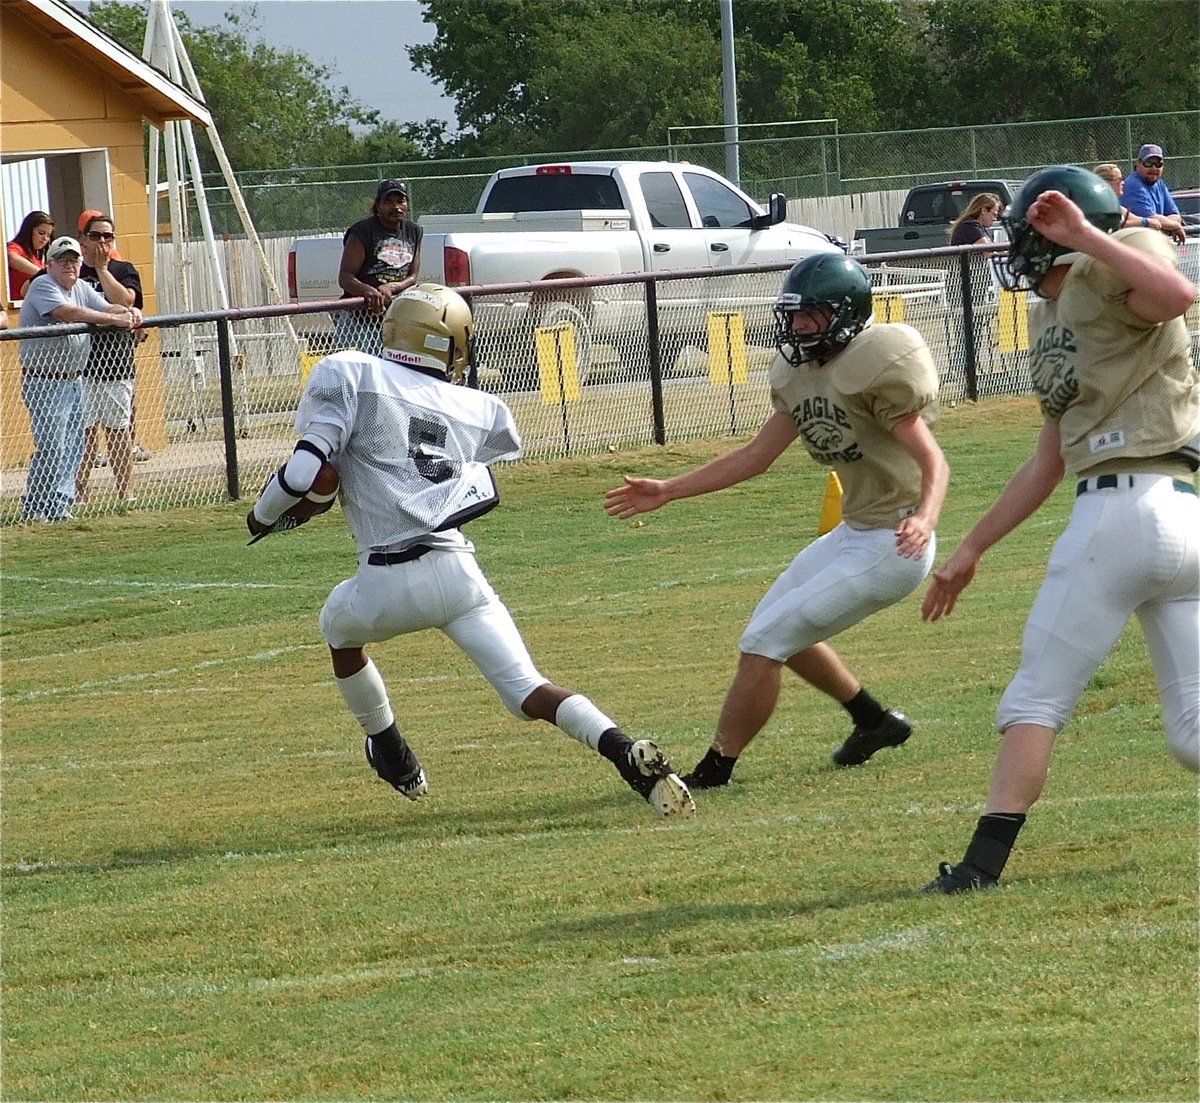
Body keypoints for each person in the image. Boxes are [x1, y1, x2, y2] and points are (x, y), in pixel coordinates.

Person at [247, 283, 694, 818]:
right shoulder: (479, 407)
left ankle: (389, 748)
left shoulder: (352, 373)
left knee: (338, 631)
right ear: (449, 343)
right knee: (528, 690)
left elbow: (305, 475)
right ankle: (621, 748)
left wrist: (261, 517)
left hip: (385, 575)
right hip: (458, 571)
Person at [921, 165, 1199, 895]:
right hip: (1176, 515)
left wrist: (1082, 237)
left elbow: (1177, 294)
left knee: (1036, 698)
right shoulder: (1057, 315)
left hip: (1124, 509)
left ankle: (981, 868)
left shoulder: (1116, 260)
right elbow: (1046, 461)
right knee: (1193, 733)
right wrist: (972, 547)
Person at [605, 254, 950, 788]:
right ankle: (873, 720)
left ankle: (716, 767)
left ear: (846, 314)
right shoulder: (802, 374)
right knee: (772, 632)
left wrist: (926, 519)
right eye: (794, 314)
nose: (798, 327)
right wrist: (668, 490)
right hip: (856, 531)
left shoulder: (875, 364)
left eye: (811, 314)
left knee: (766, 641)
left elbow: (933, 461)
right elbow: (755, 457)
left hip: (894, 541)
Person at [17, 236, 142, 522]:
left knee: (74, 447)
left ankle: (59, 506)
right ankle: (35, 507)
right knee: (52, 445)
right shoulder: (43, 285)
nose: (69, 266)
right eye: (62, 261)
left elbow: (107, 306)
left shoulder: (81, 287)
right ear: (49, 265)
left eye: (73, 260)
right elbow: (67, 313)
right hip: (45, 380)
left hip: (75, 379)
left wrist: (129, 311)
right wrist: (113, 319)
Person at [74, 214, 144, 505]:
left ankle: (125, 495)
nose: (102, 242)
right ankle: (78, 494)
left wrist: (103, 269)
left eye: (108, 236)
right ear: (84, 240)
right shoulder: (71, 270)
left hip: (115, 365)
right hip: (79, 367)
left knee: (118, 433)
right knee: (84, 435)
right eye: (95, 236)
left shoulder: (123, 269)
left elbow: (126, 301)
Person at [333, 179, 422, 356]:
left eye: (400, 201)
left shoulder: (414, 231)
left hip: (397, 319)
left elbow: (413, 276)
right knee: (366, 374)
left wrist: (392, 287)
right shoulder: (362, 232)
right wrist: (368, 291)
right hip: (361, 320)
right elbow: (345, 277)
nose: (395, 207)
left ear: (407, 206)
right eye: (388, 202)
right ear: (378, 206)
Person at [1120, 144, 1186, 244]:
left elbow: (1175, 215)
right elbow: (1152, 220)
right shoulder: (1133, 185)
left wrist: (1168, 225)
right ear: (1138, 164)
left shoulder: (1159, 184)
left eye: (1158, 164)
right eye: (1148, 163)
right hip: (1136, 246)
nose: (1154, 168)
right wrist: (1175, 226)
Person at [1095, 162, 1174, 233]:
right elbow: (1112, 225)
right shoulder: (1098, 206)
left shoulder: (1116, 207)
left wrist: (1149, 222)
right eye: (1119, 179)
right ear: (1106, 183)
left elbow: (1133, 218)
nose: (1123, 183)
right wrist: (1145, 223)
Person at [7, 210, 54, 301]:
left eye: (48, 235)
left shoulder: (39, 258)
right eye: (41, 233)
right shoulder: (15, 247)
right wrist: (42, 272)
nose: (45, 239)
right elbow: (11, 258)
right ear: (29, 231)